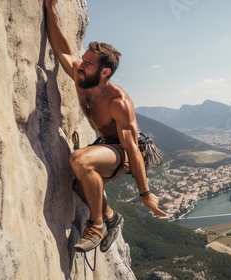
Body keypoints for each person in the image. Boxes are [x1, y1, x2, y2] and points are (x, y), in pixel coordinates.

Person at [44, 0, 167, 253]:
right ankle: (111, 217)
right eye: (84, 61)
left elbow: (132, 148)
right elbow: (62, 51)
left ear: (105, 72)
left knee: (80, 161)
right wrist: (50, 10)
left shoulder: (118, 102)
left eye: (88, 64)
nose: (80, 65)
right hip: (107, 145)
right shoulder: (82, 76)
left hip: (125, 151)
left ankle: (97, 225)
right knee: (79, 185)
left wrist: (145, 194)